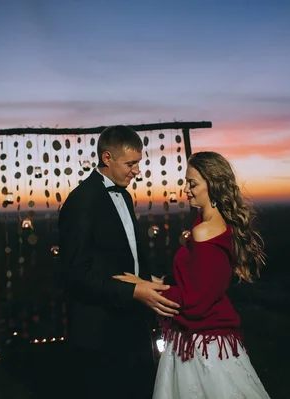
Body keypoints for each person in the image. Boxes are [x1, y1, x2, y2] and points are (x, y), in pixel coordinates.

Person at [114, 151, 272, 398]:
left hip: (201, 346)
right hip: (210, 340)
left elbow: (194, 302)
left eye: (193, 183)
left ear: (214, 185)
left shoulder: (204, 231)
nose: (186, 189)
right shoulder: (216, 224)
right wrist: (159, 281)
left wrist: (142, 289)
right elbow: (201, 283)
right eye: (186, 182)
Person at [57, 125, 181, 398]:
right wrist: (133, 291)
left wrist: (149, 281)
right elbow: (75, 274)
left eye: (138, 163)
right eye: (131, 163)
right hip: (100, 330)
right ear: (107, 158)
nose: (137, 170)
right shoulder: (81, 201)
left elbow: (126, 256)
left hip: (132, 321)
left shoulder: (123, 195)